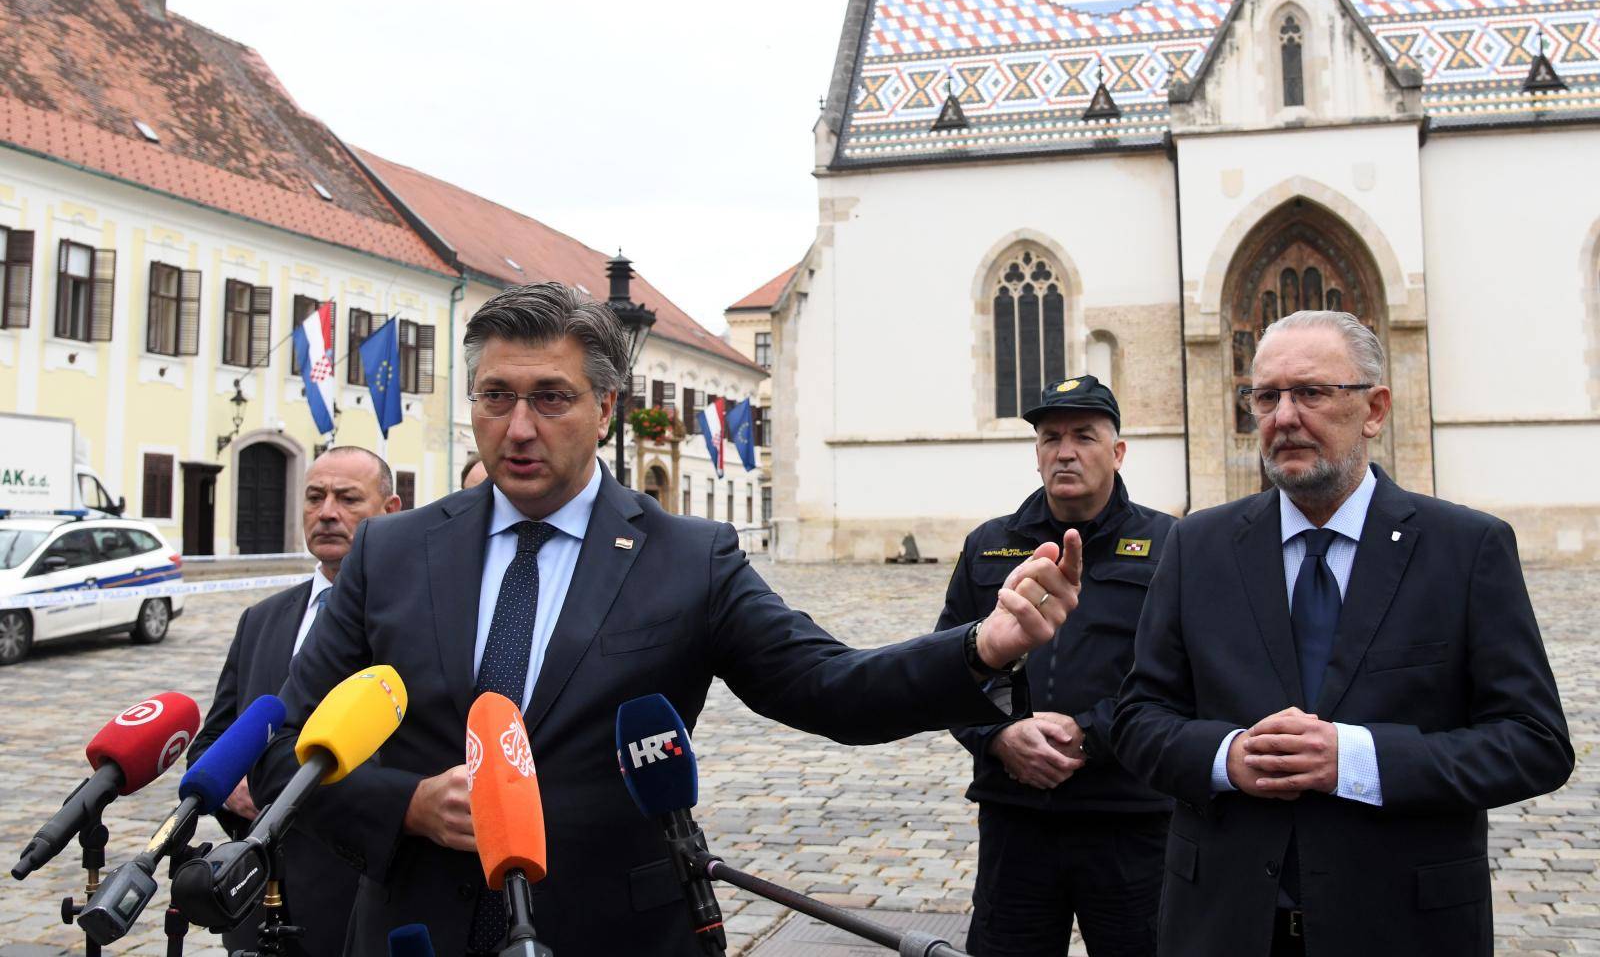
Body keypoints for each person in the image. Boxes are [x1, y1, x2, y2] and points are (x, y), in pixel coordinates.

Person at [254, 282, 1083, 957]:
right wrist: (406, 805)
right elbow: (289, 747)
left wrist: (982, 646)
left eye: (552, 398)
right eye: (497, 397)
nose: (519, 427)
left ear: (607, 407)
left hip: (613, 931)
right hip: (414, 929)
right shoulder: (392, 553)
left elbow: (833, 690)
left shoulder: (688, 558)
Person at [1112, 310, 1572, 957]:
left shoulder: (1466, 550)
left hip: (1404, 928)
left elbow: (1535, 744)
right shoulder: (1197, 547)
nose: (1284, 417)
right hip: (1223, 924)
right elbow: (1137, 720)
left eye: (1312, 392)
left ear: (1375, 408)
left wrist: (1353, 760)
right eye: (1265, 396)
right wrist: (1229, 758)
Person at [937, 375, 1173, 956]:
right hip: (1017, 820)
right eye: (1050, 437)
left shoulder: (1171, 546)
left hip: (1129, 818)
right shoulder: (989, 546)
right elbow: (949, 668)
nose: (1065, 451)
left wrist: (1087, 734)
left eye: (1084, 436)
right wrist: (999, 737)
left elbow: (1178, 678)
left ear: (1117, 452)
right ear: (1036, 453)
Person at [189, 446, 402, 955]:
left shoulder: (410, 624)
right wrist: (231, 788)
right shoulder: (261, 619)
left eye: (348, 499)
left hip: (361, 900)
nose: (327, 512)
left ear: (390, 511)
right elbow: (210, 744)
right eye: (314, 497)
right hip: (259, 898)